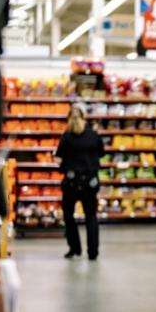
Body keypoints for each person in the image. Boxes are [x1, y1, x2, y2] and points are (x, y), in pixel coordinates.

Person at [55, 103, 104, 260]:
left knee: (69, 216)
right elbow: (102, 153)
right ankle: (93, 252)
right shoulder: (94, 135)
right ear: (84, 117)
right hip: (90, 181)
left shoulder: (66, 136)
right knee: (91, 216)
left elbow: (58, 159)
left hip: (71, 182)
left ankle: (74, 248)